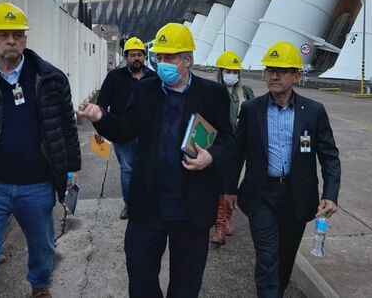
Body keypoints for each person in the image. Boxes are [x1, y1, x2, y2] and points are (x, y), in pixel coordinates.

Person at [78, 23, 234, 298]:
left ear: (187, 61)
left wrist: (211, 157)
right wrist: (101, 118)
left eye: (169, 58)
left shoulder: (213, 94)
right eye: (159, 57)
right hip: (148, 205)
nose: (162, 64)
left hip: (190, 209)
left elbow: (228, 140)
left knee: (186, 284)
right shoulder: (146, 90)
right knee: (140, 278)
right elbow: (126, 127)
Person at [0, 2, 81, 298]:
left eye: (17, 35)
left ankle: (39, 286)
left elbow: (66, 127)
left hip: (37, 185)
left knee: (43, 248)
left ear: (25, 40)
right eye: (3, 34)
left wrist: (70, 168)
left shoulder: (51, 79)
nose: (11, 41)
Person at [226, 41, 341, 297]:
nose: (274, 76)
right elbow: (237, 152)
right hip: (261, 195)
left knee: (285, 258)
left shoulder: (313, 111)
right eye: (270, 70)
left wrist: (331, 194)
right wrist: (230, 188)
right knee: (267, 257)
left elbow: (330, 157)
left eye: (282, 70)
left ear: (296, 76)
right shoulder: (251, 109)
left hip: (296, 197)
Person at [95, 36, 157, 219]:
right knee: (128, 169)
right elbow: (101, 105)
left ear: (144, 57)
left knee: (148, 168)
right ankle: (130, 205)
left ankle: (148, 203)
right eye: (132, 55)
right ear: (126, 56)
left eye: (139, 55)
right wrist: (103, 128)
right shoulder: (114, 77)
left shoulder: (154, 78)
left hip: (148, 134)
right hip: (122, 134)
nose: (136, 58)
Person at [211, 51, 255, 245]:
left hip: (239, 147)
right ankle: (219, 225)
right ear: (221, 72)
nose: (232, 74)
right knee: (220, 185)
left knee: (232, 185)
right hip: (220, 146)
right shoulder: (212, 92)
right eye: (228, 71)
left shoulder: (246, 93)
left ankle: (227, 219)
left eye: (235, 71)